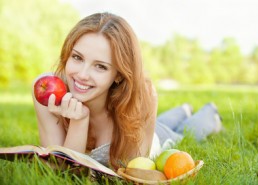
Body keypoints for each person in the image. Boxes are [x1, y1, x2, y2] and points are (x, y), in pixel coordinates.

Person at [32, 12, 222, 170]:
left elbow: (134, 167)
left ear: (119, 74)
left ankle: (210, 112)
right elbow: (59, 171)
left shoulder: (141, 95)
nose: (82, 74)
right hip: (146, 124)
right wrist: (79, 122)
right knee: (166, 122)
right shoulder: (47, 93)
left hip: (151, 137)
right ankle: (183, 109)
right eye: (77, 57)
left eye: (100, 66)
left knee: (187, 132)